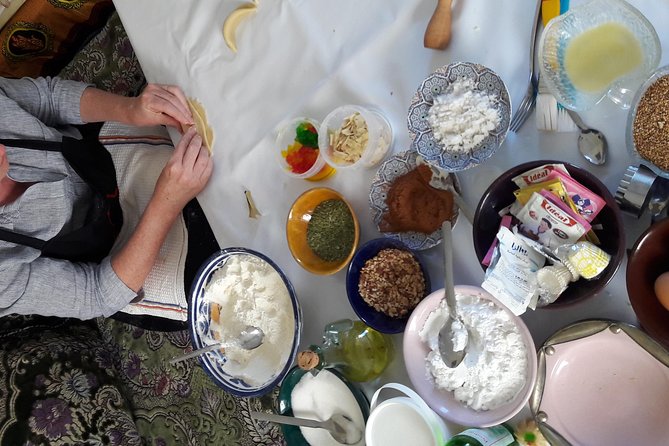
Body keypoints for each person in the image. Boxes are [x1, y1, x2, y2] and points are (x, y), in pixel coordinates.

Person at [0, 76, 213, 320]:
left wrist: (130, 109)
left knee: (194, 103)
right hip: (119, 258)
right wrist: (167, 202)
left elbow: (50, 98)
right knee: (220, 268)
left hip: (102, 153)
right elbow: (97, 295)